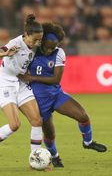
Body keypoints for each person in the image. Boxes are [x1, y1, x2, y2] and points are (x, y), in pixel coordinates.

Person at [18, 22, 107, 167]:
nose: (53, 45)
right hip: (39, 101)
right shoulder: (33, 51)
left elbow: (56, 79)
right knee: (50, 135)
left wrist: (32, 78)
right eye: (50, 41)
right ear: (44, 39)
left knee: (83, 116)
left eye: (56, 42)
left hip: (56, 95)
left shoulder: (59, 53)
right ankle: (55, 157)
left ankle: (88, 142)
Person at [0, 14, 44, 167]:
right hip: (5, 83)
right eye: (34, 39)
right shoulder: (14, 43)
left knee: (37, 120)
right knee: (15, 124)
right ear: (26, 34)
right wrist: (5, 54)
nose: (36, 43)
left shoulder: (35, 47)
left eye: (39, 40)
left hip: (20, 83)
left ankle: (34, 160)